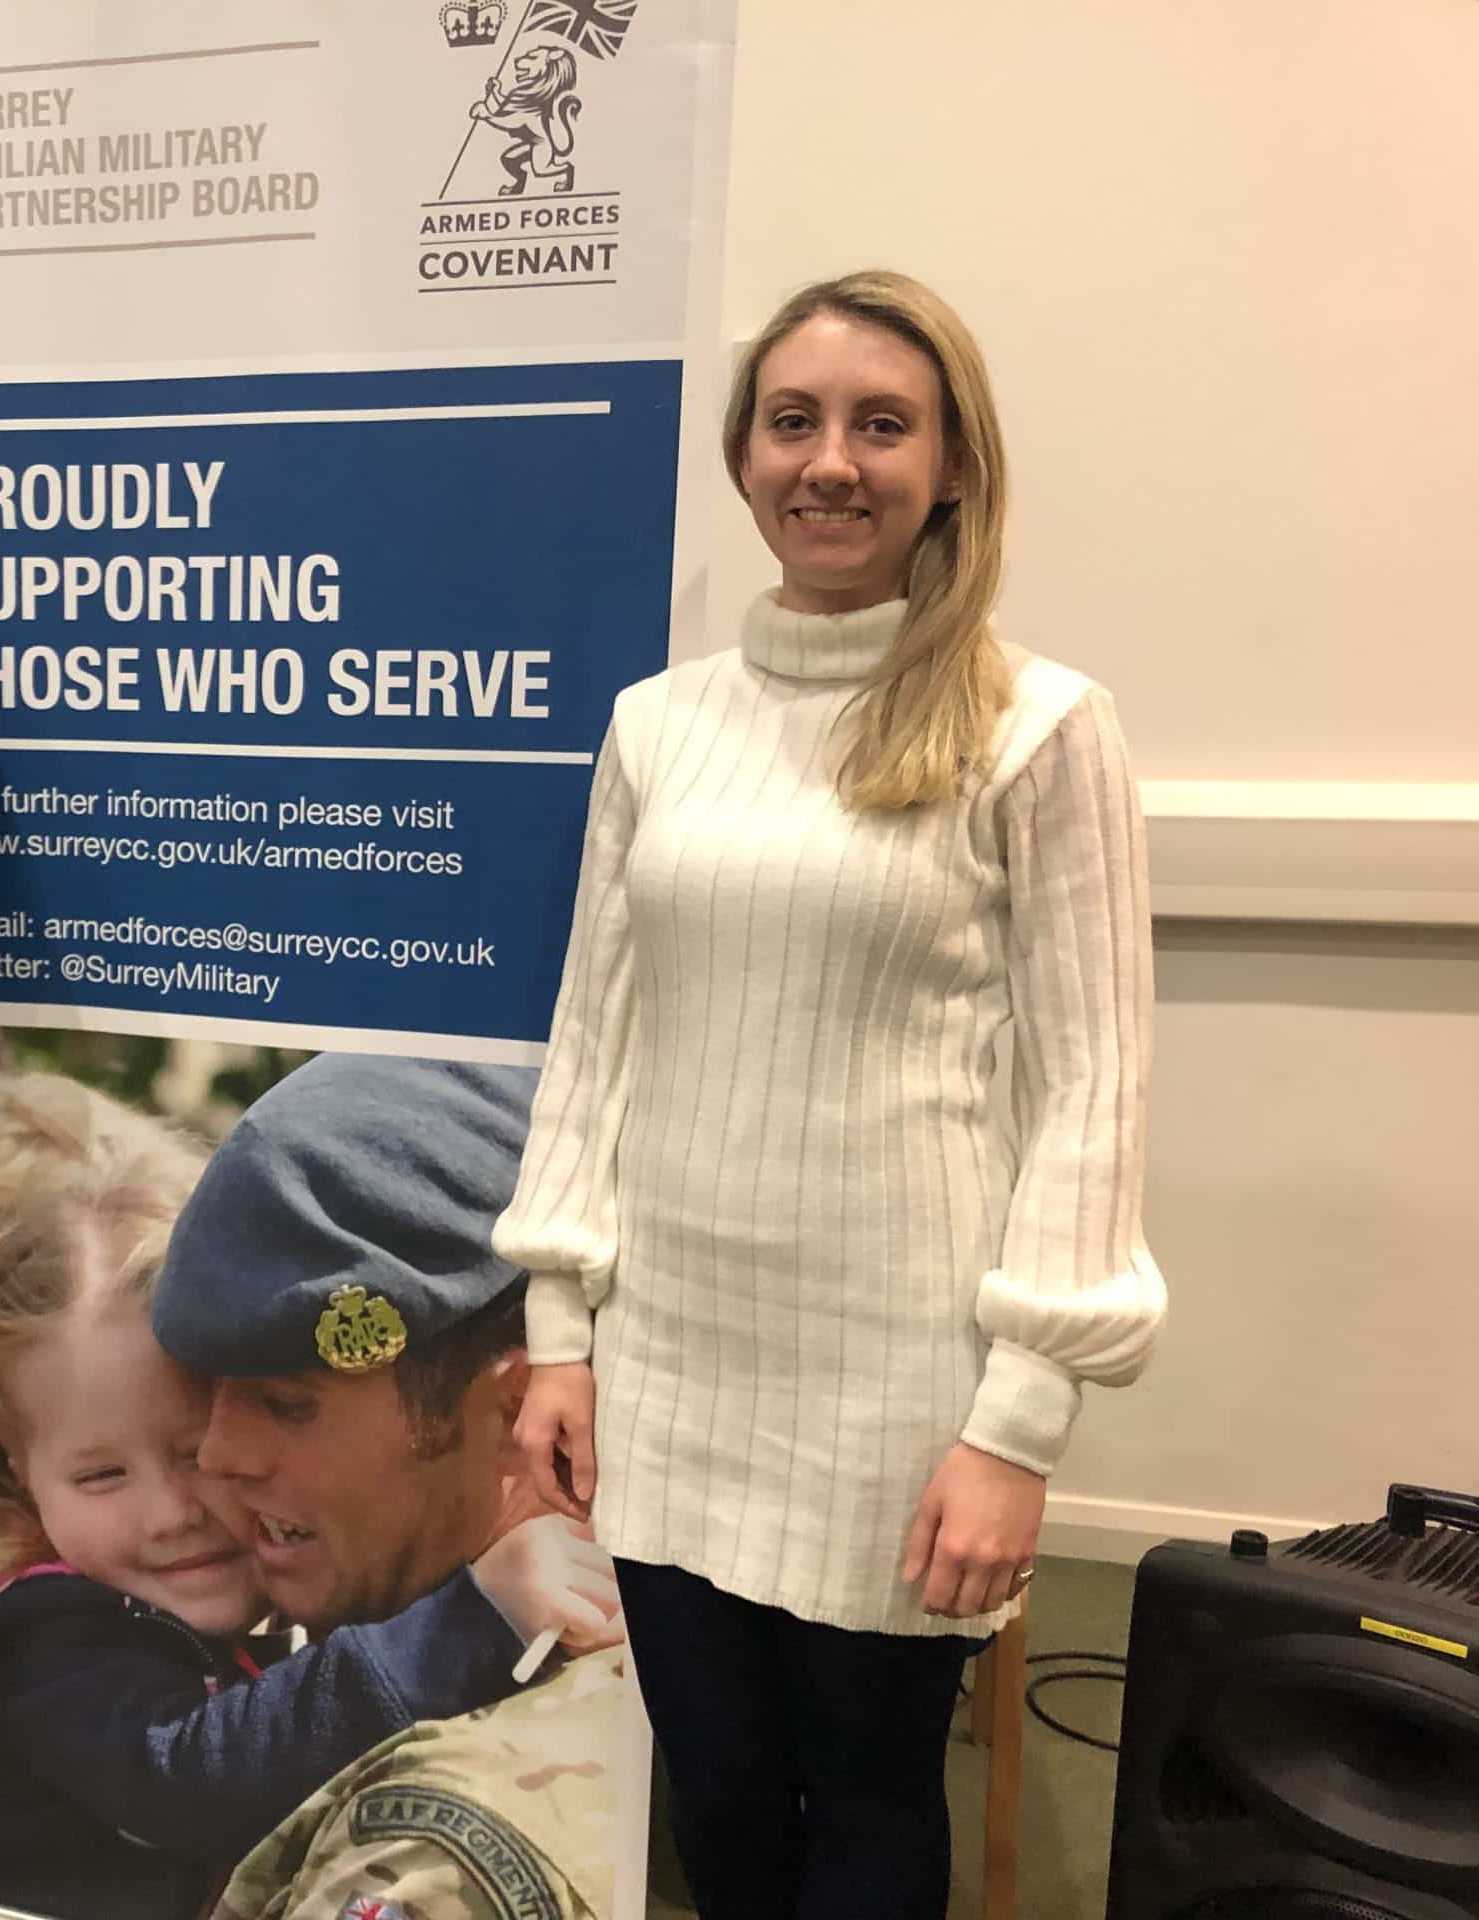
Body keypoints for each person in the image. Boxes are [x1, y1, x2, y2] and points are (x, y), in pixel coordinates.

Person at [495, 268, 1167, 1919]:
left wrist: (1017, 1427)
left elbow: (1094, 1092)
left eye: (883, 424)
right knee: (717, 1794)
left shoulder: (1041, 728)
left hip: (896, 1388)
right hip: (671, 1364)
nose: (832, 461)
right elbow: (597, 1041)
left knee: (866, 1806)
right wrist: (562, 1334)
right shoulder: (660, 726)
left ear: (952, 467)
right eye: (793, 421)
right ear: (742, 456)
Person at [0, 1063, 616, 1920]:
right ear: (19, 1474)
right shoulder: (44, 1639)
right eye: (103, 1474)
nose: (196, 1486)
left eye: (284, 1406)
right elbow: (188, 1777)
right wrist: (472, 1621)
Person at [150, 1053, 632, 1920]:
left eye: (288, 1406)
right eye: (207, 1400)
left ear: (519, 1407)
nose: (219, 1456)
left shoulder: (432, 1849)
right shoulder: (692, 1636)